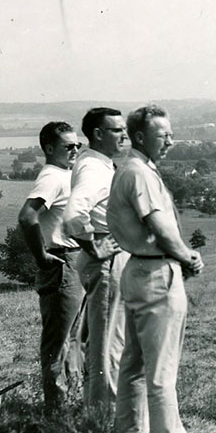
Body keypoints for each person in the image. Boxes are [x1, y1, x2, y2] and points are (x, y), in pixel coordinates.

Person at [108, 105, 203, 433]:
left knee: (133, 361)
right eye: (164, 136)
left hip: (138, 271)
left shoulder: (133, 169)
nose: (170, 142)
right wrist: (187, 256)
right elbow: (161, 228)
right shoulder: (139, 173)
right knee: (162, 367)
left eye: (170, 134)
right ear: (139, 137)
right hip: (155, 274)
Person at [63, 107, 129, 412]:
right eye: (117, 130)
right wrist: (94, 247)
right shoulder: (93, 168)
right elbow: (75, 215)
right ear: (98, 134)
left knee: (100, 341)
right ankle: (107, 420)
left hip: (108, 259)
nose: (124, 135)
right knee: (109, 345)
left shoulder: (96, 163)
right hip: (107, 261)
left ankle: (97, 413)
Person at [18, 122, 85, 413]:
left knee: (72, 340)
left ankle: (70, 407)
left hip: (75, 262)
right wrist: (41, 256)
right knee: (58, 344)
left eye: (77, 145)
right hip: (61, 263)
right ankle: (55, 418)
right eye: (68, 146)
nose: (75, 150)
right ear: (48, 149)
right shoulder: (52, 177)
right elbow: (27, 217)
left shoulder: (64, 174)